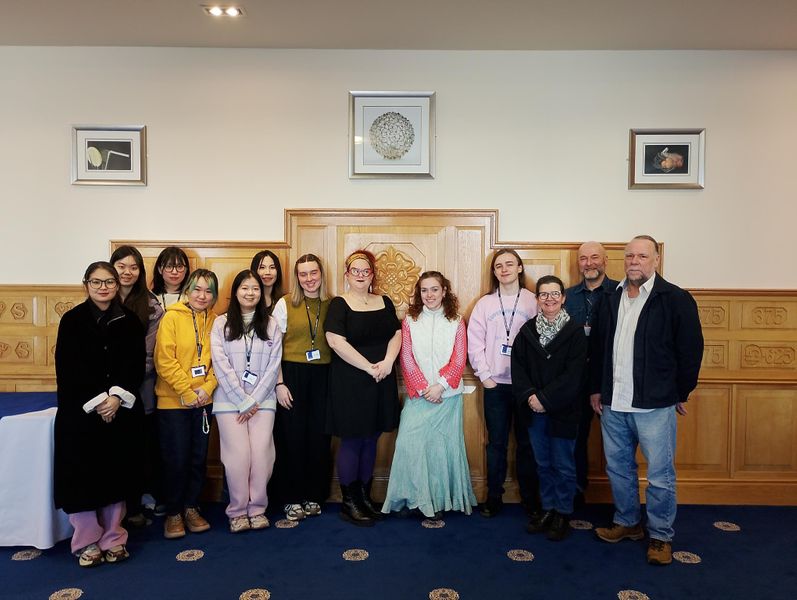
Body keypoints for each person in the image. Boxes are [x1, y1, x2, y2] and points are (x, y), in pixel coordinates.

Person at [590, 235, 703, 565]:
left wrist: (679, 392)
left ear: (656, 260)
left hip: (654, 405)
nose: (634, 261)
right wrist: (597, 390)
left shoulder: (675, 299)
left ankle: (660, 536)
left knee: (660, 475)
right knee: (619, 469)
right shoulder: (611, 298)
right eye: (629, 256)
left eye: (642, 256)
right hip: (614, 402)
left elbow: (690, 351)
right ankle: (627, 523)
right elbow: (598, 348)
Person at [54, 262, 145, 567]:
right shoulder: (72, 320)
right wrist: (97, 401)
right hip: (81, 413)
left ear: (117, 286)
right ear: (86, 284)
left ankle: (114, 536)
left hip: (120, 411)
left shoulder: (129, 321)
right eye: (97, 282)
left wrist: (117, 398)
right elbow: (68, 368)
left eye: (109, 282)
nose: (103, 287)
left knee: (116, 473)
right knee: (82, 475)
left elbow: (134, 365)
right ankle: (86, 540)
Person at [382, 271, 476, 519]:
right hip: (419, 394)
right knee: (409, 445)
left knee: (441, 449)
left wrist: (441, 385)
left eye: (434, 289)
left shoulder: (456, 320)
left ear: (444, 291)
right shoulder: (410, 320)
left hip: (448, 395)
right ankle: (414, 498)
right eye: (424, 290)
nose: (429, 295)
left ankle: (439, 501)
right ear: (418, 293)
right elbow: (406, 357)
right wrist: (424, 387)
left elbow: (459, 357)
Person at [325, 249, 401, 527]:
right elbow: (335, 341)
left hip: (382, 376)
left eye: (365, 271)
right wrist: (369, 367)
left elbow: (396, 333)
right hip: (352, 380)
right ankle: (349, 501)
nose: (360, 275)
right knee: (353, 438)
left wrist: (388, 362)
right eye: (354, 271)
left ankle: (365, 497)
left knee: (373, 436)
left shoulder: (385, 301)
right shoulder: (339, 304)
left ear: (372, 275)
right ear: (347, 275)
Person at [512, 275, 587, 541]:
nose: (549, 299)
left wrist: (546, 398)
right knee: (542, 463)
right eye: (544, 294)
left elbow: (575, 374)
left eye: (555, 294)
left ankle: (563, 512)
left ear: (564, 297)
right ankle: (547, 508)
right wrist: (532, 396)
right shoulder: (527, 331)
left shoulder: (576, 332)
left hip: (564, 410)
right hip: (534, 410)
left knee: (564, 464)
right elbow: (518, 369)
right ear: (537, 299)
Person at [467, 248, 539, 518]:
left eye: (510, 264)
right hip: (495, 385)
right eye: (499, 266)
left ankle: (530, 499)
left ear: (520, 268)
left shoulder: (533, 301)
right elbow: (474, 343)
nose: (505, 269)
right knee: (495, 444)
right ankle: (494, 497)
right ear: (494, 272)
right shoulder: (485, 304)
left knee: (527, 444)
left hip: (526, 388)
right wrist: (485, 378)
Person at [211, 270, 282, 533]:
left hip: (263, 401)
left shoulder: (271, 324)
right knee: (237, 457)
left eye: (254, 288)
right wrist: (242, 400)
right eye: (244, 288)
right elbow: (220, 365)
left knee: (262, 455)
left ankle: (258, 509)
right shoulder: (221, 324)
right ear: (235, 292)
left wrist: (253, 400)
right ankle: (238, 511)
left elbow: (274, 366)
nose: (250, 293)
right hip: (229, 403)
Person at [155, 268, 219, 539]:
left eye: (208, 291)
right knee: (176, 459)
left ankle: (192, 508)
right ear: (187, 291)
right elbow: (164, 360)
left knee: (197, 459)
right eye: (197, 289)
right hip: (173, 403)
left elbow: (221, 362)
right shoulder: (171, 317)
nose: (202, 296)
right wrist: (186, 391)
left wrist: (207, 388)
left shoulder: (217, 321)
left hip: (204, 402)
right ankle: (173, 513)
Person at [271, 254, 333, 522]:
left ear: (322, 274)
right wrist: (279, 383)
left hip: (324, 376)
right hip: (292, 375)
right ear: (297, 277)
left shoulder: (334, 304)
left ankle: (314, 495)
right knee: (291, 438)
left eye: (313, 273)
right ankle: (291, 497)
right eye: (303, 274)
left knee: (319, 437)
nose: (309, 279)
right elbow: (273, 348)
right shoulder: (285, 304)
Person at [110, 245, 165, 527]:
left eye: (133, 267)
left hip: (139, 387)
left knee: (140, 449)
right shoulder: (103, 299)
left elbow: (150, 351)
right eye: (121, 267)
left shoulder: (151, 303)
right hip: (104, 392)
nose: (127, 273)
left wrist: (123, 383)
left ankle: (135, 507)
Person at [563, 242, 619, 506]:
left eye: (594, 257)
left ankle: (620, 502)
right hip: (576, 380)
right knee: (575, 437)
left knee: (618, 442)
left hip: (612, 380)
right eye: (583, 259)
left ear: (605, 260)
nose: (589, 263)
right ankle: (576, 490)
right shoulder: (567, 296)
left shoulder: (620, 292)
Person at [152, 246, 190, 310]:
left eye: (179, 266)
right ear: (159, 269)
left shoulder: (192, 298)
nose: (174, 272)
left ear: (186, 269)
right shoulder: (150, 297)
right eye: (169, 266)